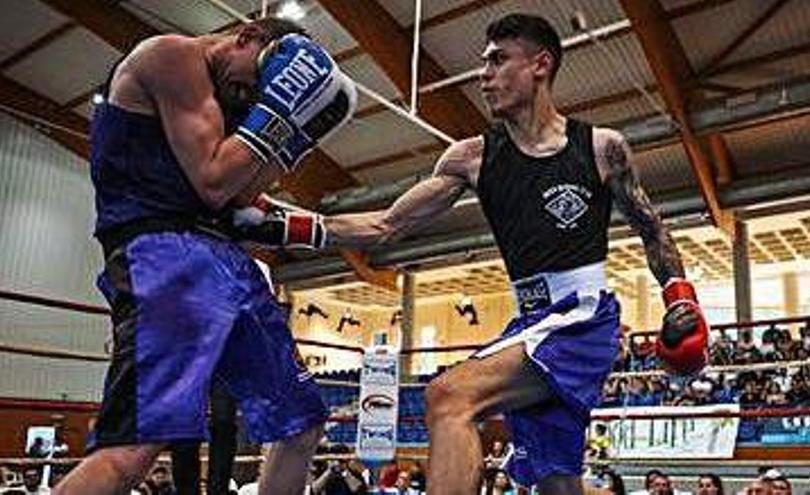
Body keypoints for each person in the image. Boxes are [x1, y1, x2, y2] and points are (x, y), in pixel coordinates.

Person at [238, 12, 708, 495]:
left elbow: (652, 228)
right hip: (532, 323)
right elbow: (385, 225)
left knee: (448, 398)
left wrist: (680, 298)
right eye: (485, 63)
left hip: (582, 318)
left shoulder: (602, 148)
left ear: (541, 65)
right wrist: (281, 225)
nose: (484, 75)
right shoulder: (471, 158)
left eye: (499, 61)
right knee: (557, 482)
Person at [53, 16, 356, 495]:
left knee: (300, 424)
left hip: (227, 261)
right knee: (133, 450)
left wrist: (297, 132)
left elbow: (240, 195)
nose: (250, 93)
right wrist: (280, 113)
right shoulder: (169, 55)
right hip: (164, 254)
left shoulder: (229, 101)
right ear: (248, 37)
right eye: (256, 80)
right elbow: (214, 182)